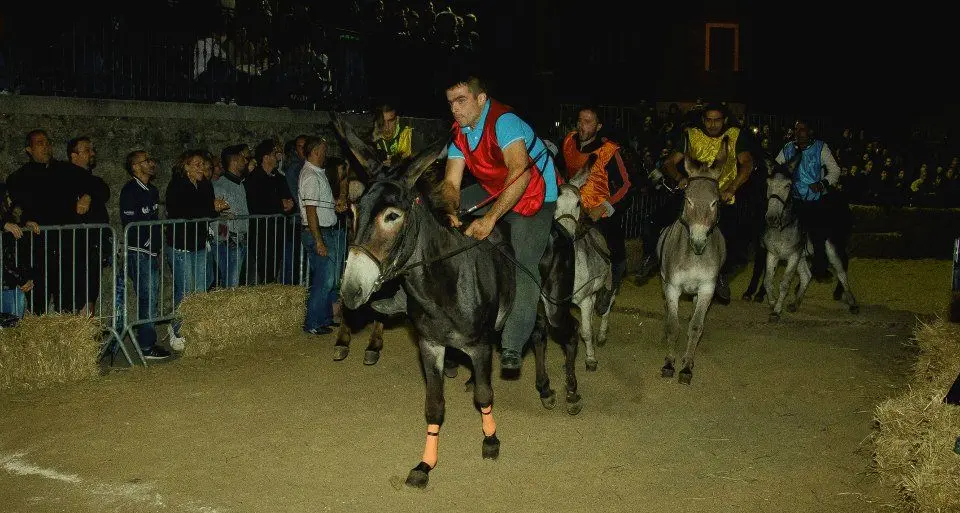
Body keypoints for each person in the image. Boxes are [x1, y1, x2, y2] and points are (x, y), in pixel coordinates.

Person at [440, 74, 559, 374]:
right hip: (497, 185)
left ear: (481, 99)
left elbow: (520, 173)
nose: (454, 108)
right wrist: (450, 210)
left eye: (461, 100)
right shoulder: (461, 131)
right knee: (437, 220)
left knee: (524, 260)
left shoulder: (503, 121)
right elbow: (451, 184)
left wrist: (490, 219)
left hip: (534, 191)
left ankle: (512, 343)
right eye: (451, 102)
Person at [653, 102, 759, 304]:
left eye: (717, 120)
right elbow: (669, 162)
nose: (712, 124)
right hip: (692, 195)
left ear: (724, 120)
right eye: (708, 120)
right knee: (656, 221)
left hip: (722, 197)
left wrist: (732, 188)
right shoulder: (690, 135)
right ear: (703, 121)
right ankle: (651, 258)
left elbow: (747, 164)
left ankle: (720, 275)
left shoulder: (736, 135)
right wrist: (679, 178)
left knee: (736, 242)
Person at [554, 105, 632, 308]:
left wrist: (604, 207)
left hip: (598, 209)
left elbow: (625, 186)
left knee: (613, 244)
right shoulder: (568, 142)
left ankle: (610, 285)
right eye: (580, 120)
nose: (582, 125)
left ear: (598, 127)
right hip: (572, 205)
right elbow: (558, 169)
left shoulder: (609, 151)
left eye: (588, 122)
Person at [775, 119, 842, 281]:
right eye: (796, 129)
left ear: (810, 131)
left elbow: (835, 170)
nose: (798, 133)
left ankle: (820, 268)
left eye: (802, 129)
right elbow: (777, 167)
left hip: (814, 198)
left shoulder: (821, 147)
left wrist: (822, 183)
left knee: (818, 233)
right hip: (793, 198)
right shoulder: (788, 148)